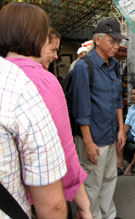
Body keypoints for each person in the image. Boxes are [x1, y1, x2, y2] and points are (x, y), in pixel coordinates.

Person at [0, 2, 92, 218]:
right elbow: (63, 151)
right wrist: (84, 202)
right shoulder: (38, 82)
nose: (56, 56)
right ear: (38, 37)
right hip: (31, 204)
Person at [71, 17, 128, 219]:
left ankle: (108, 214)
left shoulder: (113, 66)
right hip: (93, 137)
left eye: (118, 42)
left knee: (109, 178)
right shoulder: (83, 67)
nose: (116, 46)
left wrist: (121, 129)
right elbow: (82, 110)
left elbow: (118, 100)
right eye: (112, 41)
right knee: (92, 183)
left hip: (110, 134)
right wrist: (88, 142)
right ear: (98, 40)